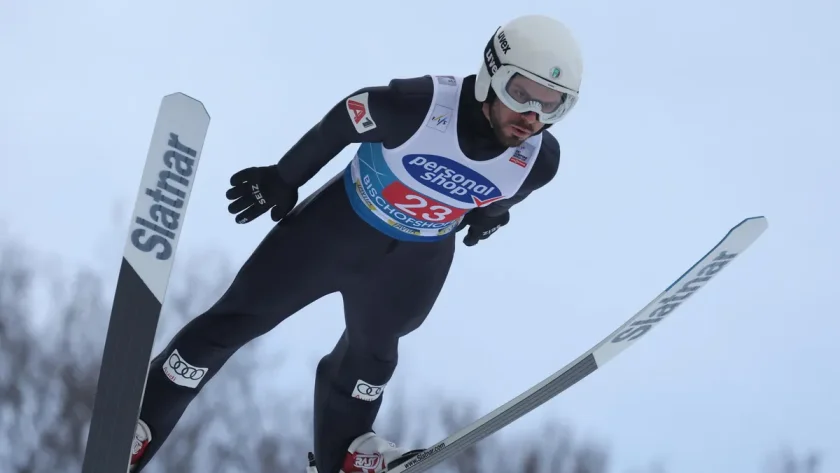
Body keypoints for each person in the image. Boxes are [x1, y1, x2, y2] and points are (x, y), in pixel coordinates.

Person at [128, 13, 583, 473]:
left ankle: (344, 454)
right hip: (333, 233)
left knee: (374, 358)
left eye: (553, 106)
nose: (532, 117)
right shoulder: (417, 106)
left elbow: (505, 194)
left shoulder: (539, 161)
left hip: (412, 266)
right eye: (521, 95)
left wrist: (489, 219)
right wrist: (285, 178)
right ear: (491, 74)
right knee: (234, 322)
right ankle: (140, 422)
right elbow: (343, 122)